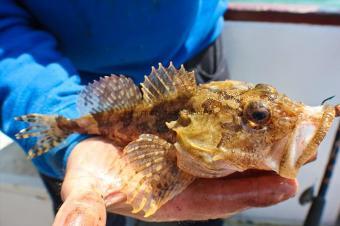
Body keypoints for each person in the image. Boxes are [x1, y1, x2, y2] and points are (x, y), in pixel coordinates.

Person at [0, 0, 297, 226]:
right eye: (258, 118)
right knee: (109, 207)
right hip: (65, 79)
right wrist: (53, 111)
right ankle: (60, 127)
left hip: (197, 53)